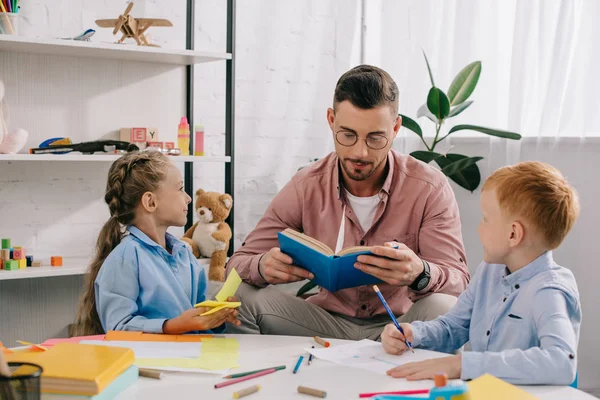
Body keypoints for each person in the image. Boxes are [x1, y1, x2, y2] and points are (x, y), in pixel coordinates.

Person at [225, 65, 470, 340]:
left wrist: (420, 272)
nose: (360, 151)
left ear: (396, 127)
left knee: (444, 306)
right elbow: (236, 264)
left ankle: (418, 379)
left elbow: (459, 281)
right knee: (238, 295)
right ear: (331, 120)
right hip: (323, 324)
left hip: (400, 326)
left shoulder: (429, 188)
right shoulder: (306, 185)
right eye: (348, 135)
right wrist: (262, 266)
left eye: (375, 138)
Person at [381, 161, 581, 385]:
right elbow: (454, 327)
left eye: (486, 219)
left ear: (513, 234)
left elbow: (561, 362)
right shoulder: (490, 271)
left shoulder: (549, 290)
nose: (479, 228)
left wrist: (463, 365)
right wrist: (413, 333)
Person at [74, 151, 239, 335]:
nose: (188, 198)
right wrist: (173, 325)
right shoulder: (124, 259)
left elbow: (196, 319)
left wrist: (215, 317)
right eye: (180, 189)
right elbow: (118, 329)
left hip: (190, 358)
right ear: (150, 202)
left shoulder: (184, 254)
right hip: (151, 362)